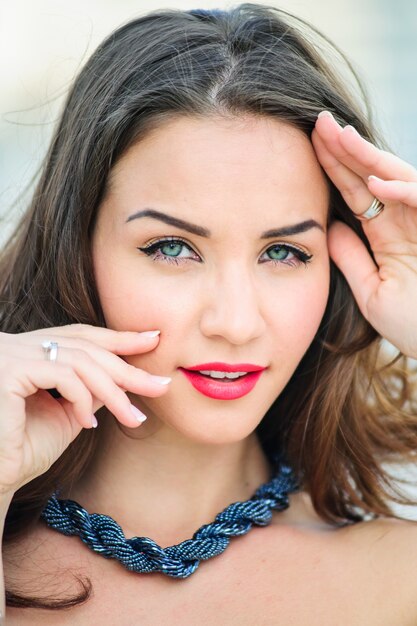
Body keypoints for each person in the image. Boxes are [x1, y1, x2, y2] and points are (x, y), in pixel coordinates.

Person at [1, 3, 417, 623]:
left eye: (283, 252)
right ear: (77, 246)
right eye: (172, 248)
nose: (235, 321)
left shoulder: (396, 579)